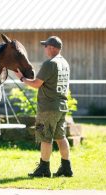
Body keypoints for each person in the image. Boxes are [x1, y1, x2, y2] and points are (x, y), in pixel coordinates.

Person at [15, 36, 73, 177]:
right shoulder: (64, 63)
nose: (45, 48)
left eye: (46, 46)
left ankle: (44, 169)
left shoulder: (50, 64)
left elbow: (36, 84)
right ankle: (66, 167)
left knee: (45, 137)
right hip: (61, 106)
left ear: (52, 48)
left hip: (48, 108)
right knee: (61, 137)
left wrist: (22, 78)